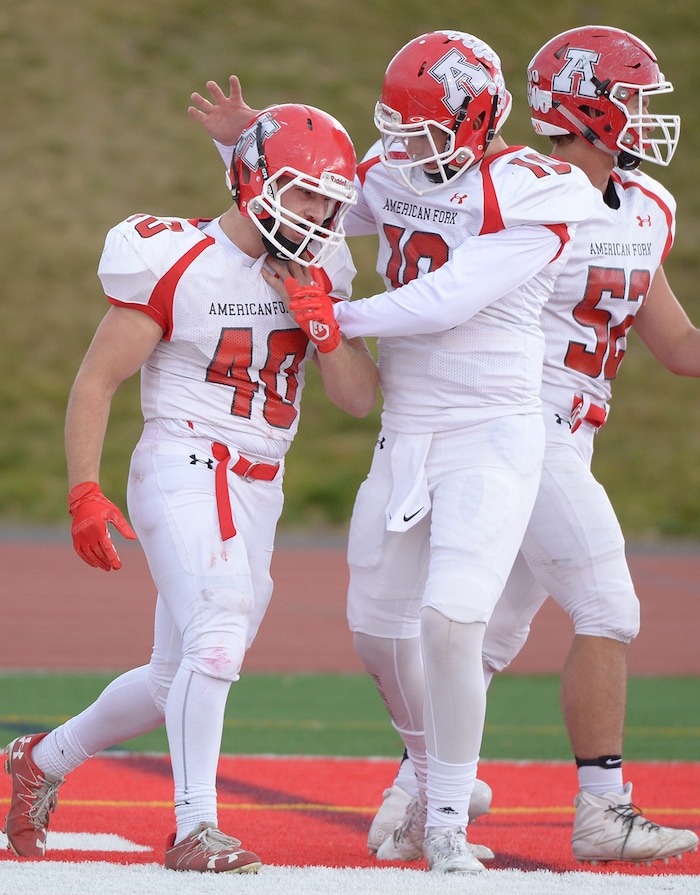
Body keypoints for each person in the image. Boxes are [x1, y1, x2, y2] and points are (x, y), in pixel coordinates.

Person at [194, 31, 597, 873]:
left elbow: (443, 300)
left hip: (492, 427)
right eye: (397, 129)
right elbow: (322, 199)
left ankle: (445, 817)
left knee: (452, 621)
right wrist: (250, 142)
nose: (404, 150)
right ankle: (425, 770)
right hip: (406, 428)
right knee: (376, 634)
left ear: (479, 122)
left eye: (425, 132)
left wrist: (334, 317)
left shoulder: (532, 193)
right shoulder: (398, 163)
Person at [2, 103, 378, 874]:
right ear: (255, 180)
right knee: (219, 629)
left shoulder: (327, 267)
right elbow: (96, 381)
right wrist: (83, 488)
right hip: (185, 459)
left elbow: (358, 398)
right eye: (305, 193)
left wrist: (327, 329)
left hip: (258, 486)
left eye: (332, 199)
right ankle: (193, 828)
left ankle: (39, 759)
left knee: (178, 671)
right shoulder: (178, 257)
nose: (321, 213)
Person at [362, 25, 700, 867]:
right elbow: (431, 254)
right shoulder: (521, 189)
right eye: (633, 97)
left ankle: (416, 793)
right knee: (608, 605)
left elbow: (679, 346)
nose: (649, 115)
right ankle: (602, 807)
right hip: (516, 424)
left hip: (571, 434)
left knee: (485, 637)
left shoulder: (645, 204)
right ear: (585, 103)